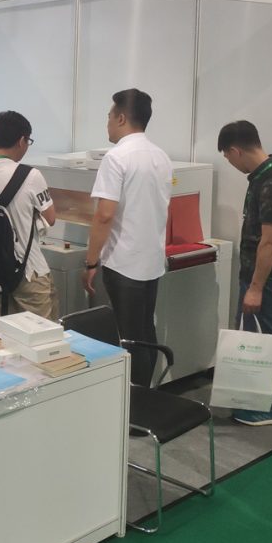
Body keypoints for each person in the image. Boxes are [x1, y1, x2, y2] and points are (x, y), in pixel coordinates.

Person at [83, 89, 171, 387]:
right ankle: (147, 394)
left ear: (121, 118)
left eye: (109, 116)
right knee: (145, 331)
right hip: (151, 261)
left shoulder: (116, 157)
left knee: (128, 337)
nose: (107, 123)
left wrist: (90, 262)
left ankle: (135, 401)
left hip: (123, 262)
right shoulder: (161, 156)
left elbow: (104, 215)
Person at [218, 120, 272, 426]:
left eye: (228, 157)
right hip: (259, 275)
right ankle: (253, 400)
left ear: (236, 150)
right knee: (256, 338)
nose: (230, 163)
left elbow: (270, 240)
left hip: (267, 277)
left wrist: (256, 287)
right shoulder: (265, 176)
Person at [0, 111, 57, 325]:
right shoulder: (30, 175)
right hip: (29, 270)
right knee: (40, 335)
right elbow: (50, 217)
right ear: (21, 140)